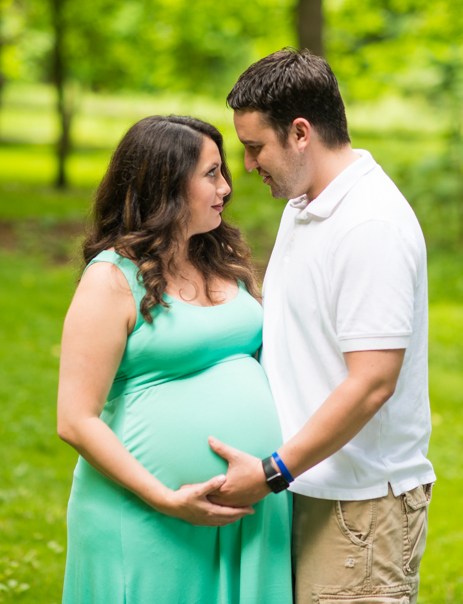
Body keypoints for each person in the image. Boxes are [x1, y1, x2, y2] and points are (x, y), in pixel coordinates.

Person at [207, 49, 435, 604]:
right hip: (308, 485)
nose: (248, 167)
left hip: (358, 507)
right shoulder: (307, 206)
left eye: (255, 147)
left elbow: (373, 382)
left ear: (301, 133)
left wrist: (271, 471)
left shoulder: (370, 225)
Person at [56, 115, 292, 604]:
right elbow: (75, 420)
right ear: (165, 182)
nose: (226, 186)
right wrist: (166, 498)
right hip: (149, 515)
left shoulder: (219, 260)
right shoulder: (111, 279)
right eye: (211, 174)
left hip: (248, 514)